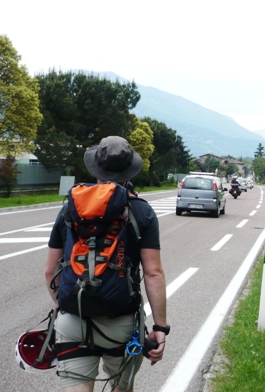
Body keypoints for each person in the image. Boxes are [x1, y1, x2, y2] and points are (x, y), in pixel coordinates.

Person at [44, 136, 167, 392]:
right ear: (128, 172)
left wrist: (67, 304)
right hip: (120, 324)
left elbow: (49, 271)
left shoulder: (69, 208)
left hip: (73, 322)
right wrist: (159, 328)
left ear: (95, 168)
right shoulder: (141, 211)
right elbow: (153, 273)